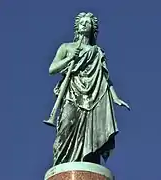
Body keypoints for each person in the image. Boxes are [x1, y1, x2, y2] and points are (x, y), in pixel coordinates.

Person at [48, 12, 130, 166]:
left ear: (93, 28)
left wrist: (115, 97)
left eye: (88, 22)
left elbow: (105, 77)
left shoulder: (97, 52)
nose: (84, 24)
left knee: (93, 134)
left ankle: (88, 161)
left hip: (96, 94)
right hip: (72, 92)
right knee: (65, 127)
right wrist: (69, 58)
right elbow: (52, 69)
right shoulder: (66, 47)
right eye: (82, 22)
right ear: (77, 27)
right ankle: (61, 164)